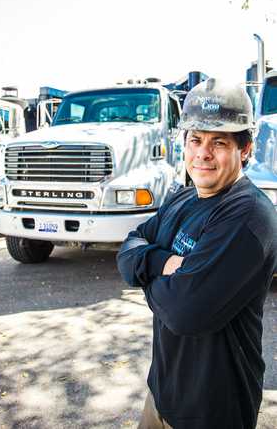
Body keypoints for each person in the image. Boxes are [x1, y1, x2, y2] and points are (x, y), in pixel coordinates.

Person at [117, 78, 277, 429]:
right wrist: (162, 263)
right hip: (160, 395)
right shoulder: (182, 199)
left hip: (212, 410)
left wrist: (146, 271)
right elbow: (127, 252)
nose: (202, 153)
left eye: (218, 142)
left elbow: (184, 313)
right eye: (195, 139)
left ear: (245, 149)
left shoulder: (249, 216)